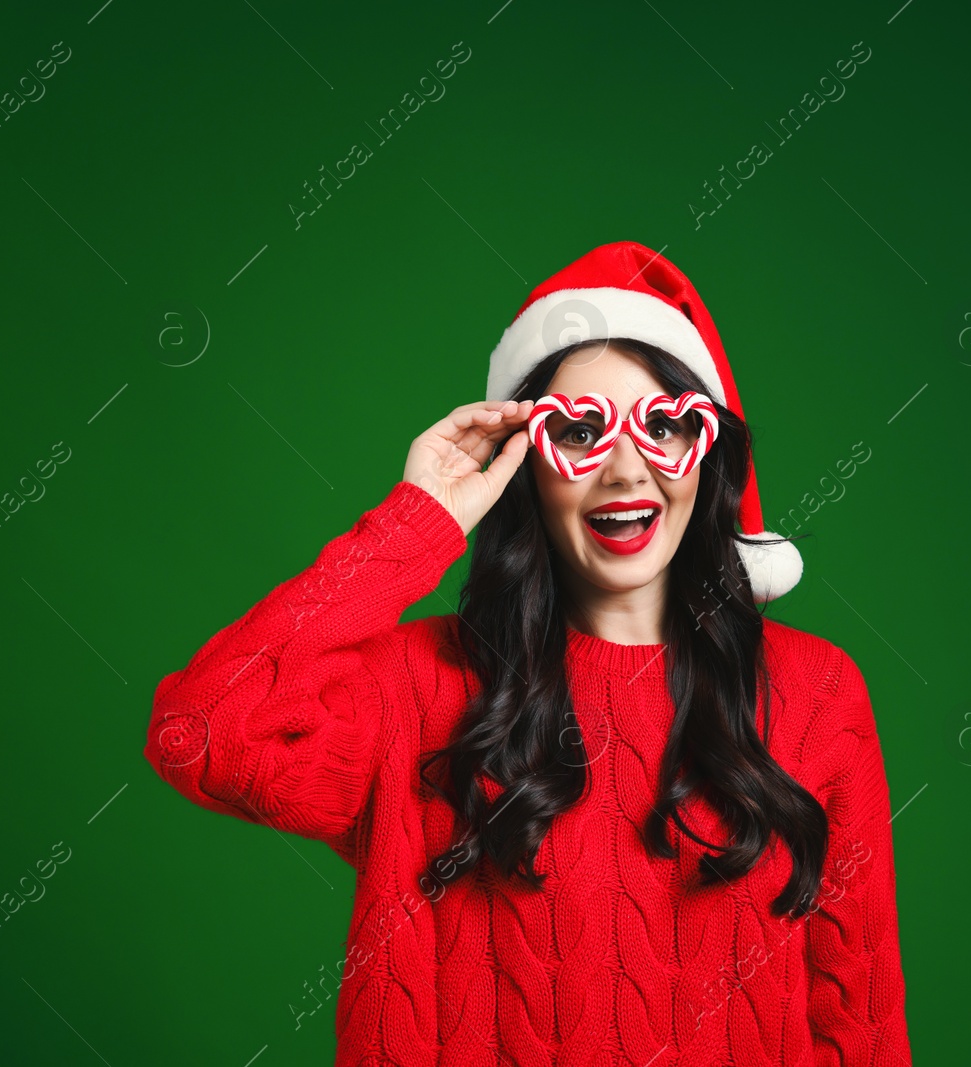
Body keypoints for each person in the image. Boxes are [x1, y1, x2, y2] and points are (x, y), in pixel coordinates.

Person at [143, 241, 913, 1065]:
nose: (625, 471)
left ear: (710, 451)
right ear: (524, 465)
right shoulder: (417, 686)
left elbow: (857, 1024)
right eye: (579, 431)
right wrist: (415, 524)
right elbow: (205, 732)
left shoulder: (817, 692)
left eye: (664, 426)